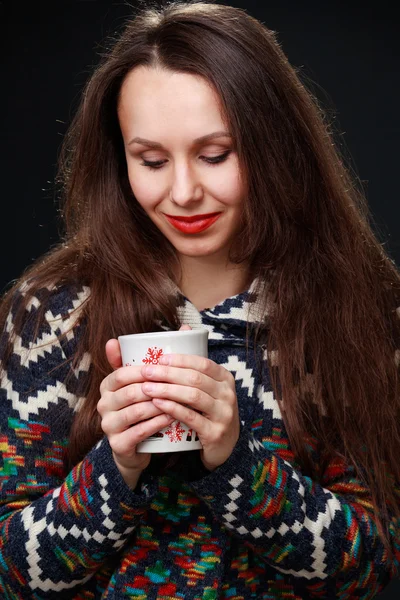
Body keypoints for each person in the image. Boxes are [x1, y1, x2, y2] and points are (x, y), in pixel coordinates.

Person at [0, 1, 399, 598]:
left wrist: (238, 459)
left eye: (216, 155)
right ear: (121, 160)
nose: (183, 193)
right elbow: (14, 570)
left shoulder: (355, 310)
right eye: (152, 161)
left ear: (273, 146)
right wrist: (118, 466)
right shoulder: (52, 313)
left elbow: (370, 565)